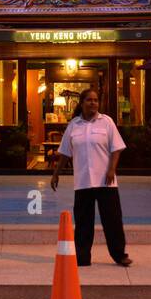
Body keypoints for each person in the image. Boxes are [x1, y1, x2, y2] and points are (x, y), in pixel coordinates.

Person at [50, 88, 132, 267]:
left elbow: (116, 148)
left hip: (106, 181)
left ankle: (119, 255)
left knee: (112, 220)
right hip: (83, 181)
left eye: (95, 100)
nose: (93, 103)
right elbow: (65, 152)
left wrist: (111, 169)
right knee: (83, 222)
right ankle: (82, 257)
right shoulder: (74, 125)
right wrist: (56, 174)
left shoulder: (107, 122)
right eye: (89, 100)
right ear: (82, 103)